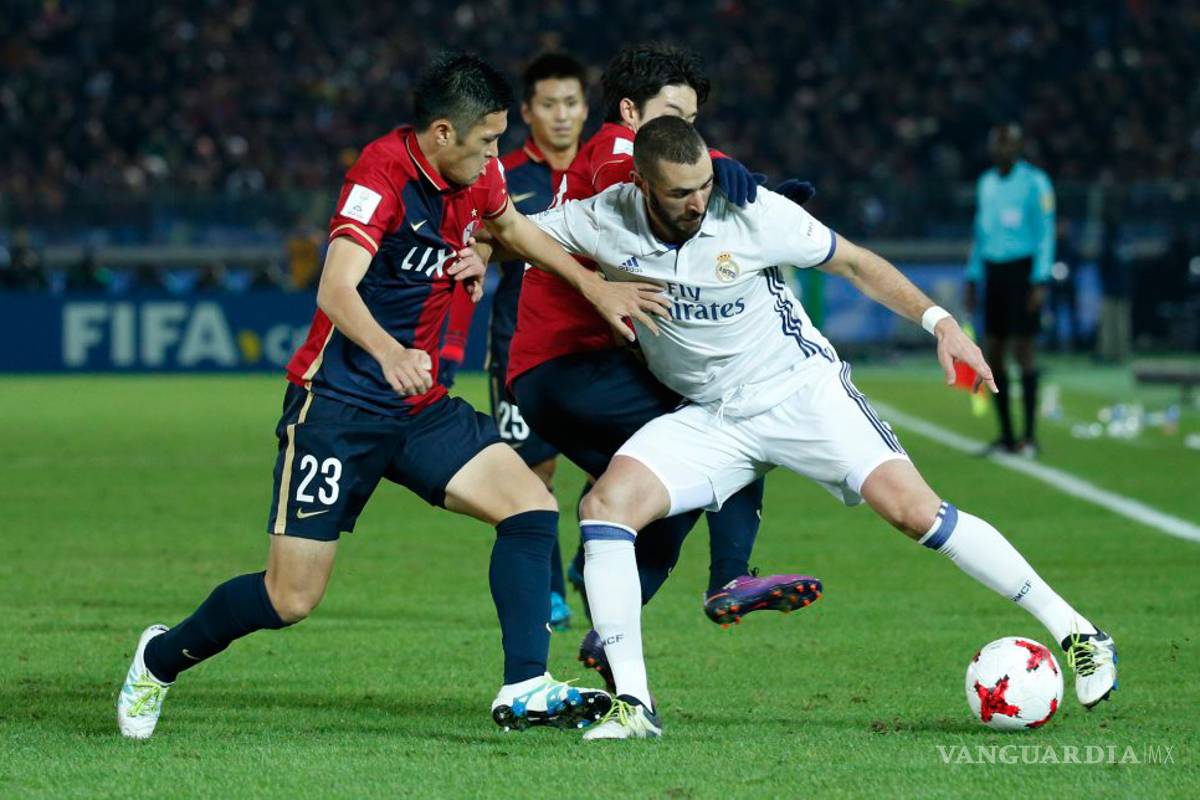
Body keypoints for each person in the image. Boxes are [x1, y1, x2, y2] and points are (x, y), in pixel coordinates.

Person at [116, 51, 674, 740]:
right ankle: (159, 658)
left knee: (530, 506)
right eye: (486, 142)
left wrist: (594, 285)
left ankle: (525, 683)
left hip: (418, 410)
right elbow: (335, 289)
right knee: (290, 598)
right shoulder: (379, 177)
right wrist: (389, 352)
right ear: (442, 134)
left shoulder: (478, 175)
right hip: (337, 410)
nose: (495, 156)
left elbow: (518, 231)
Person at [531, 116, 1116, 739]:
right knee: (605, 507)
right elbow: (511, 227)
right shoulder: (603, 216)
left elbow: (858, 265)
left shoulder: (755, 214)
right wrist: (543, 270)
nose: (699, 200)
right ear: (644, 185)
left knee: (914, 511)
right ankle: (634, 705)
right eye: (680, 192)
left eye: (703, 184)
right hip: (714, 416)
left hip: (801, 391)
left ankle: (1080, 632)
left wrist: (941, 323)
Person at [505, 44, 821, 687]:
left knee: (670, 501)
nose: (688, 137)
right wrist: (738, 173)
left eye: (694, 124)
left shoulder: (620, 159)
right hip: (574, 365)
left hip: (564, 369)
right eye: (673, 117)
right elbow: (655, 179)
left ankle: (610, 631)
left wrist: (753, 200)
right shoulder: (615, 150)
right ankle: (730, 575)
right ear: (630, 112)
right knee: (728, 426)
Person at [964, 123, 1056, 458]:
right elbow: (980, 232)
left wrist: (1040, 279)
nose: (1002, 149)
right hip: (994, 272)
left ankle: (1029, 437)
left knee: (1024, 351)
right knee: (995, 353)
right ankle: (1006, 436)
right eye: (997, 144)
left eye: (1008, 144)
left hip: (1023, 271)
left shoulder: (1035, 182)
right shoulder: (986, 183)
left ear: (1019, 147)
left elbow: (1045, 233)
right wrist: (973, 277)